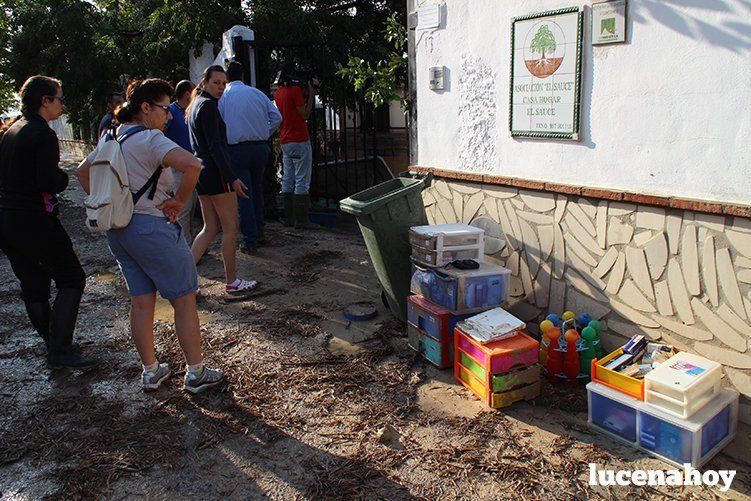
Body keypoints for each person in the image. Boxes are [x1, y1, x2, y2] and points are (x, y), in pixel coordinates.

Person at [76, 78, 224, 393]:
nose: (169, 115)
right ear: (145, 108)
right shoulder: (150, 139)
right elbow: (193, 164)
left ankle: (151, 371)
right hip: (152, 226)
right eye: (164, 108)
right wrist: (180, 201)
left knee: (142, 303)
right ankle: (196, 373)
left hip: (119, 231)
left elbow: (82, 172)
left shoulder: (110, 137)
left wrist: (111, 202)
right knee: (184, 300)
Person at [0, 75, 96, 368]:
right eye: (59, 98)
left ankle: (54, 344)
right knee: (71, 278)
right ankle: (61, 350)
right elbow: (47, 180)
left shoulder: (12, 129)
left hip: (7, 219)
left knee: (33, 285)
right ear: (45, 101)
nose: (62, 105)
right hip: (33, 218)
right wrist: (63, 178)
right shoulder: (42, 133)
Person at [187, 65, 257, 293]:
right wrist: (232, 177)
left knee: (210, 228)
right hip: (215, 172)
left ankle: (183, 281)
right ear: (205, 82)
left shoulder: (196, 104)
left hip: (202, 171)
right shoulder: (207, 106)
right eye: (216, 82)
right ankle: (232, 281)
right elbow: (216, 147)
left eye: (223, 83)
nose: (220, 87)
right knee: (230, 227)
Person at [218, 61, 281, 254]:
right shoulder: (257, 93)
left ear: (226, 78)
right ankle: (259, 232)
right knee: (257, 190)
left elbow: (219, 124)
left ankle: (250, 239)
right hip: (259, 148)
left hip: (236, 150)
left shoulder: (224, 97)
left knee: (244, 194)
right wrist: (264, 132)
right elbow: (277, 117)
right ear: (243, 75)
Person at [273, 68, 317, 229]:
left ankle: (289, 218)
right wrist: (311, 94)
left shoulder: (278, 93)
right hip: (299, 139)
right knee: (301, 180)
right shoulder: (295, 91)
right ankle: (302, 220)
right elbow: (304, 114)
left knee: (287, 178)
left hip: (285, 140)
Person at [164, 79, 197, 244]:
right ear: (186, 94)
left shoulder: (191, 111)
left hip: (192, 166)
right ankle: (185, 245)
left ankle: (192, 241)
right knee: (183, 207)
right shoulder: (170, 113)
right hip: (178, 168)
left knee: (192, 208)